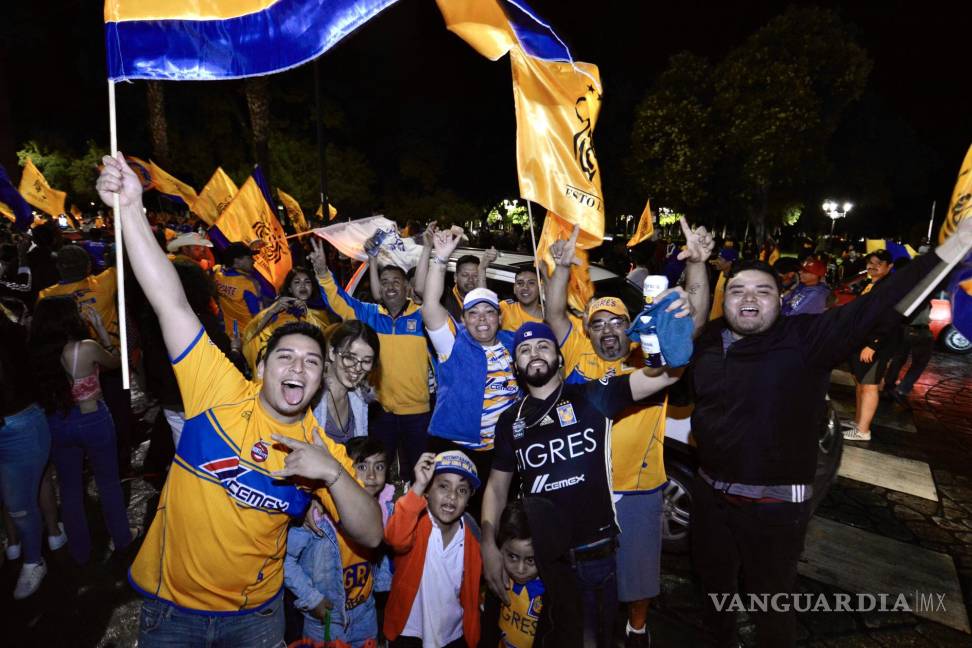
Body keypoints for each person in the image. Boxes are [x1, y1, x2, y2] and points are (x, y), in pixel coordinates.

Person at [96, 153, 382, 648]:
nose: (298, 368)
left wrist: (333, 475)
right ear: (263, 367)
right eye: (286, 357)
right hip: (173, 610)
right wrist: (130, 211)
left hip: (255, 619)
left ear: (321, 379)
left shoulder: (318, 448)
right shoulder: (217, 388)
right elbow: (171, 302)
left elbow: (373, 534)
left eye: (312, 362)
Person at [688, 217, 972, 648]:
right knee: (712, 592)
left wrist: (953, 247)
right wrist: (696, 265)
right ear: (724, 299)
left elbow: (882, 303)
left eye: (762, 290)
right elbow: (690, 326)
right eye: (737, 290)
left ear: (781, 299)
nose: (748, 298)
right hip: (710, 496)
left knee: (770, 603)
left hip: (772, 507)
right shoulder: (711, 338)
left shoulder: (808, 338)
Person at [542, 220, 711, 647]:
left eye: (616, 322)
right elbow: (555, 314)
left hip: (638, 487)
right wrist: (562, 269)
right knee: (584, 572)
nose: (607, 330)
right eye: (598, 324)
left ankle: (637, 628)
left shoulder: (647, 355)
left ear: (629, 327)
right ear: (588, 331)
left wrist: (697, 265)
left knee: (638, 571)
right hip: (584, 488)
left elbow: (694, 323)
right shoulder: (576, 352)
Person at [482, 320, 687, 648]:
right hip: (544, 560)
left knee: (595, 640)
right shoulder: (510, 420)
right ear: (516, 366)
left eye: (543, 346)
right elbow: (496, 486)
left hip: (595, 558)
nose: (534, 353)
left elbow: (665, 376)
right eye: (524, 349)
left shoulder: (593, 395)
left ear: (560, 357)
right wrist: (488, 544)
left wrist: (670, 338)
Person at [309, 236, 432, 482]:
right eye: (384, 282)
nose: (390, 286)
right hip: (380, 411)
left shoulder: (424, 318)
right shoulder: (370, 315)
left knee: (420, 475)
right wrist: (323, 272)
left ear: (407, 287)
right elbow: (339, 301)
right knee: (375, 473)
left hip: (418, 413)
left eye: (396, 281)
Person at [29, 296, 132, 565]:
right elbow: (116, 363)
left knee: (70, 489)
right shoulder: (86, 348)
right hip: (92, 419)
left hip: (58, 423)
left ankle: (80, 552)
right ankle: (122, 539)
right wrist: (102, 333)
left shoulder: (36, 354)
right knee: (108, 482)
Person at [422, 227, 518, 512]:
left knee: (494, 515)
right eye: (473, 313)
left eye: (489, 312)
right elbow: (430, 305)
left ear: (499, 317)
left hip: (501, 451)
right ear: (463, 318)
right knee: (448, 513)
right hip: (455, 448)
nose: (482, 319)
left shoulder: (515, 343)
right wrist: (440, 259)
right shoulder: (452, 342)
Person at [286, 437, 393, 648]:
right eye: (362, 466)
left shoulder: (386, 509)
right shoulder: (317, 517)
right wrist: (312, 599)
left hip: (365, 613)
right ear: (344, 469)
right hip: (325, 618)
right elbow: (285, 561)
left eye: (379, 467)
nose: (372, 476)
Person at [383, 451, 483, 648]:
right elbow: (395, 539)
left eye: (462, 490)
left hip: (453, 635)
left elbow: (473, 589)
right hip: (408, 632)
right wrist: (417, 487)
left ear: (468, 499)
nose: (452, 496)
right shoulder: (414, 522)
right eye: (443, 486)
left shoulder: (473, 537)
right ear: (428, 491)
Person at [0, 309, 51, 599]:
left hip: (18, 425)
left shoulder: (13, 331)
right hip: (16, 422)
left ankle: (34, 561)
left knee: (19, 504)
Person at [480, 499, 546, 648]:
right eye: (512, 557)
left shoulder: (551, 594)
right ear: (499, 549)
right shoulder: (495, 578)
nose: (520, 569)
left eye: (530, 560)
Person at [845, 249, 895, 442]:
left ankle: (863, 431)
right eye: (870, 262)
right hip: (861, 342)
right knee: (860, 383)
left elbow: (890, 319)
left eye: (878, 263)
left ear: (889, 267)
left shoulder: (889, 289)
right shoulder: (870, 284)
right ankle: (858, 421)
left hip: (875, 345)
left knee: (869, 386)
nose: (872, 266)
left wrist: (874, 344)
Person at [242, 266, 331, 372]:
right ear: (290, 289)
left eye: (307, 282)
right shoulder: (277, 309)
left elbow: (324, 340)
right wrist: (272, 312)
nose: (303, 286)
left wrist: (308, 314)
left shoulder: (320, 311)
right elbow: (249, 335)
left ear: (312, 287)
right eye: (297, 282)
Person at [312, 320, 379, 444]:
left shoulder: (360, 399)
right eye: (349, 357)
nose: (357, 368)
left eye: (366, 361)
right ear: (332, 353)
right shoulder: (310, 397)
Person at [213, 241, 268, 336]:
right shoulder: (249, 285)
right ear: (237, 261)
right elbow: (259, 318)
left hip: (229, 334)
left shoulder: (216, 272)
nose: (253, 261)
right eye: (249, 258)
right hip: (249, 337)